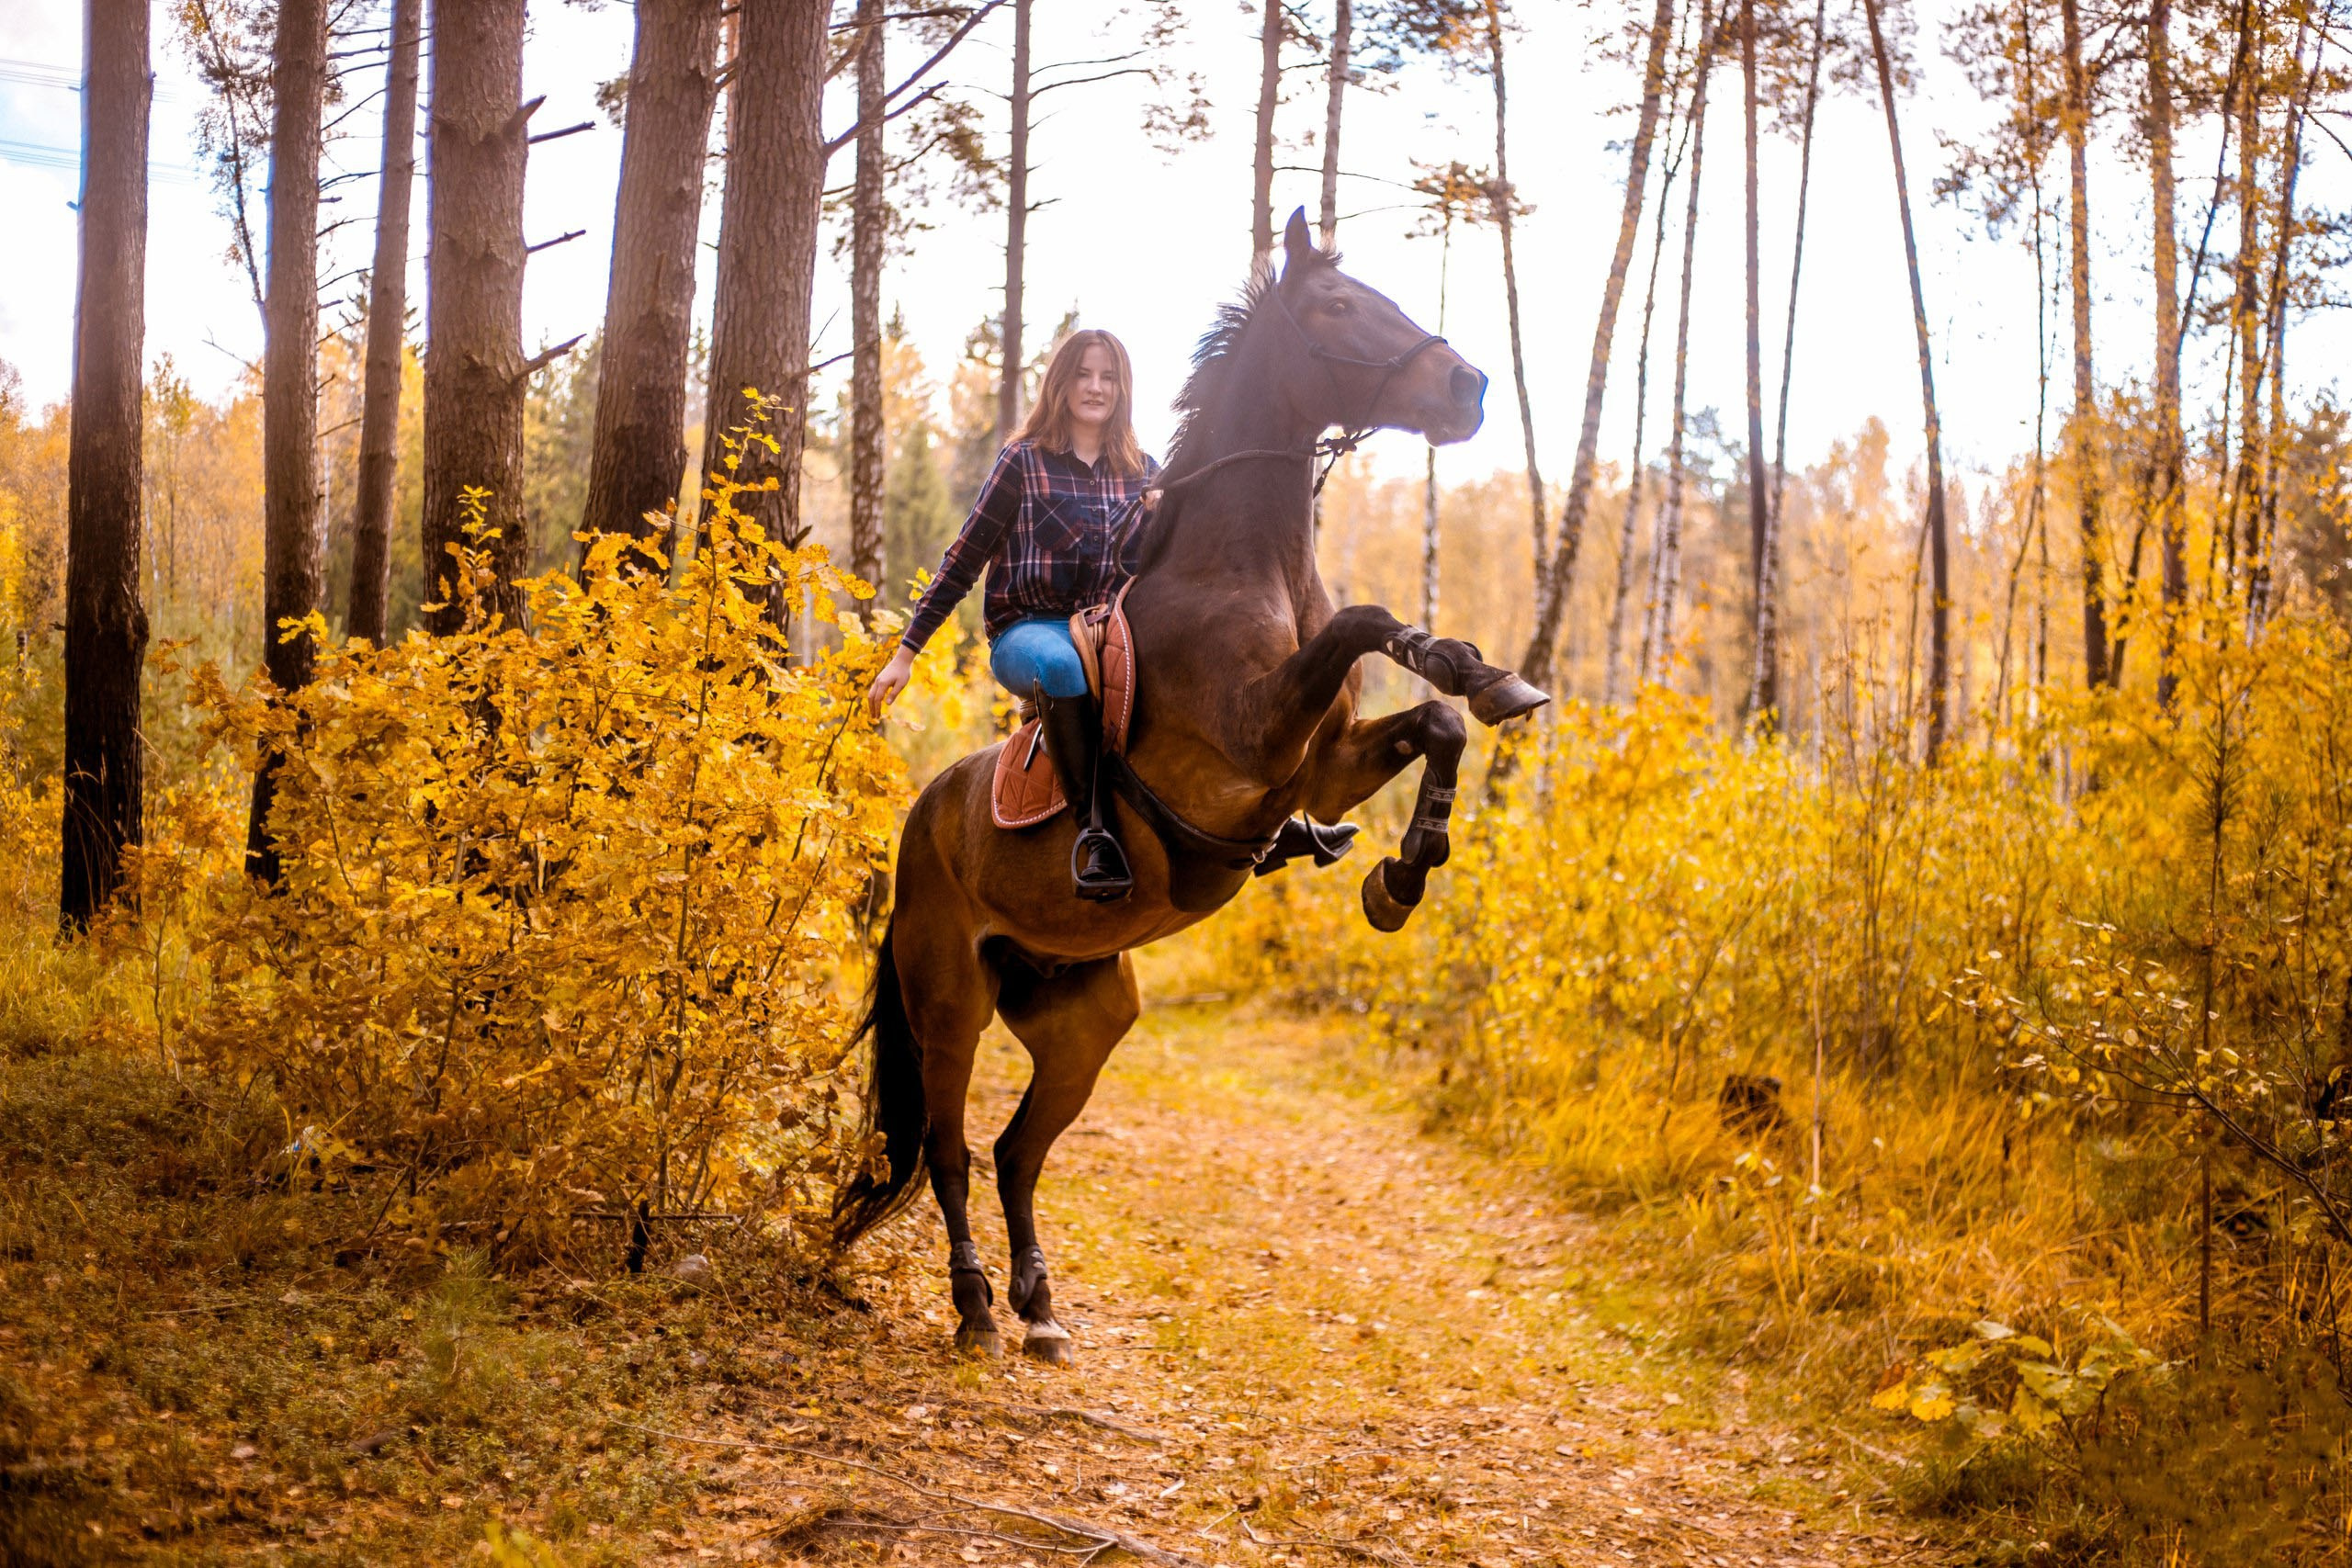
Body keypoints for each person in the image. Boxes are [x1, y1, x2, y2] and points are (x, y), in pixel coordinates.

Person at [867, 329, 1159, 902]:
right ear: (1062, 382)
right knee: (1062, 667)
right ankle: (1094, 833)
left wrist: (1161, 517)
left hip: (1108, 630)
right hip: (1029, 630)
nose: (1095, 387)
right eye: (1084, 374)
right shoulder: (1023, 461)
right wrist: (905, 654)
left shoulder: (1141, 470)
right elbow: (964, 558)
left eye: (1108, 377)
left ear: (1122, 388)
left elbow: (1152, 566)